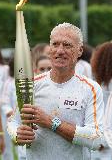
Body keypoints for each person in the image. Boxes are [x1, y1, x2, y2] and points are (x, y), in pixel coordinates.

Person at [7, 23, 106, 160]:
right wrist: (17, 134)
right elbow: (13, 122)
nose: (60, 51)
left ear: (80, 51)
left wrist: (51, 122)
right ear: (50, 49)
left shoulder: (90, 89)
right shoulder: (33, 85)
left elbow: (96, 138)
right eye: (55, 44)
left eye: (67, 45)